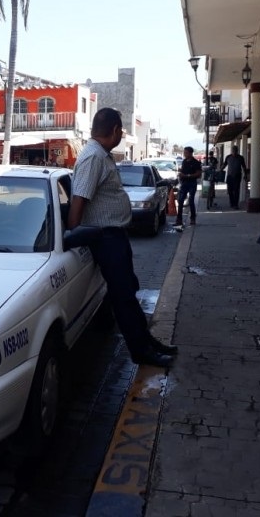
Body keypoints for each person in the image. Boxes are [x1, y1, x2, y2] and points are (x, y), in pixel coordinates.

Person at [67, 107, 177, 368]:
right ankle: (141, 351)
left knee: (128, 291)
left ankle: (147, 342)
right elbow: (79, 199)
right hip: (104, 237)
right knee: (123, 296)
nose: (121, 135)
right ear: (115, 131)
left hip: (114, 236)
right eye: (122, 131)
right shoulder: (93, 157)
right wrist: (74, 232)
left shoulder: (101, 155)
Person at [176, 146, 201, 226]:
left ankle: (192, 218)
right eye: (184, 152)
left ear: (190, 153)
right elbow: (183, 171)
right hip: (184, 184)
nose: (184, 154)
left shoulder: (196, 162)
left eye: (186, 153)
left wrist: (187, 176)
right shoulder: (184, 161)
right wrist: (180, 172)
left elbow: (198, 174)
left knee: (191, 201)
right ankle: (179, 219)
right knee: (180, 201)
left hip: (192, 184)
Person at [221, 145, 249, 209]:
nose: (234, 152)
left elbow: (244, 167)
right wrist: (220, 170)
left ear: (237, 151)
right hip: (229, 176)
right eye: (233, 150)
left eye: (235, 150)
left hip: (237, 176)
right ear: (231, 151)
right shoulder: (228, 157)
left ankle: (236, 204)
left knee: (236, 190)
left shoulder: (240, 158)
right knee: (230, 191)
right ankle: (232, 203)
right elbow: (224, 164)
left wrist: (245, 175)